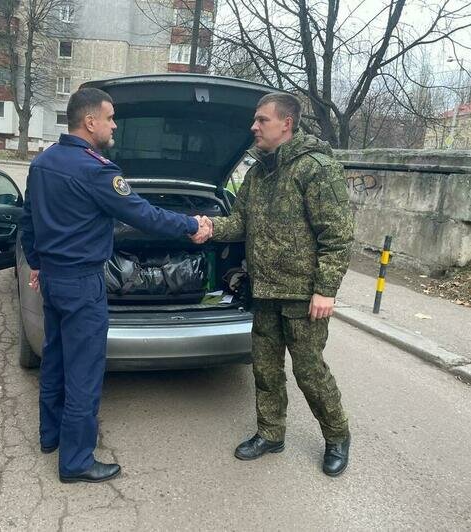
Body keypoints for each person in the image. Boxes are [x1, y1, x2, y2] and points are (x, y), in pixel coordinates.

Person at [20, 88, 210, 484]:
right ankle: (75, 462)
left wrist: (37, 264)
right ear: (90, 122)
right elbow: (144, 215)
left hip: (53, 281)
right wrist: (192, 225)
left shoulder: (42, 163)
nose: (113, 125)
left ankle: (50, 437)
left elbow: (29, 222)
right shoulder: (96, 169)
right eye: (109, 118)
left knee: (54, 362)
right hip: (82, 284)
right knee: (84, 373)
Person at [197, 93, 354, 476]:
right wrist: (206, 227)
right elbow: (239, 224)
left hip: (303, 296)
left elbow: (337, 236)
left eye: (261, 120)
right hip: (265, 291)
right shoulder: (257, 174)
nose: (254, 127)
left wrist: (326, 290)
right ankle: (270, 433)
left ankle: (337, 436)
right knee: (266, 370)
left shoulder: (316, 168)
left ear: (286, 123)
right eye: (255, 120)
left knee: (310, 372)